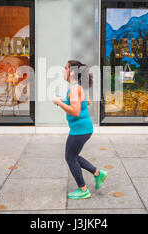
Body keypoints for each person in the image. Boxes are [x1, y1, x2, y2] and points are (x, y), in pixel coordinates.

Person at [52, 60, 107, 200]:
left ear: (71, 72)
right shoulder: (77, 87)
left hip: (80, 130)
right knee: (73, 156)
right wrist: (66, 101)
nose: (63, 71)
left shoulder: (75, 88)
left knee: (70, 158)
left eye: (65, 68)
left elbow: (75, 112)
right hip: (83, 129)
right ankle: (97, 173)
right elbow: (87, 102)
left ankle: (83, 189)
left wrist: (59, 102)